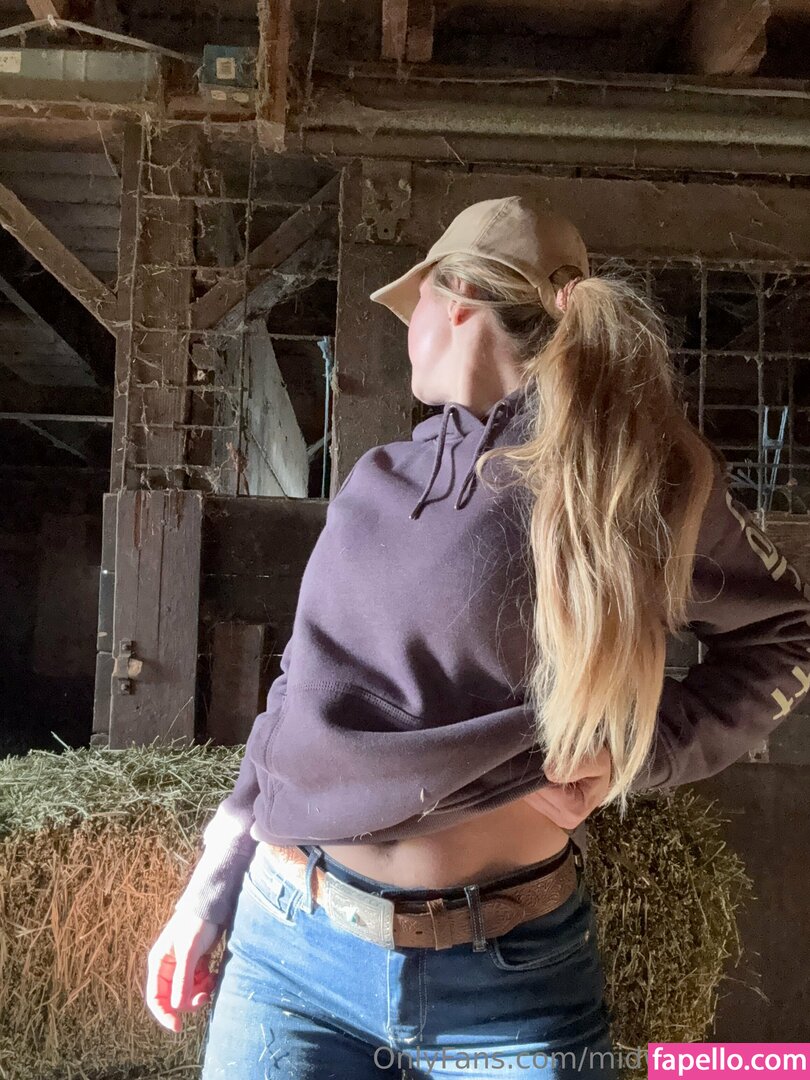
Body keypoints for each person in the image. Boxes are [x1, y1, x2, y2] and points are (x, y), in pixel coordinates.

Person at [146, 197, 810, 1078]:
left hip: (510, 983)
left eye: (413, 301)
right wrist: (210, 889)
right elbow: (293, 703)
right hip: (291, 949)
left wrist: (636, 753)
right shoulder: (379, 480)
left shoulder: (625, 481)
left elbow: (784, 636)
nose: (407, 328)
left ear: (454, 298)